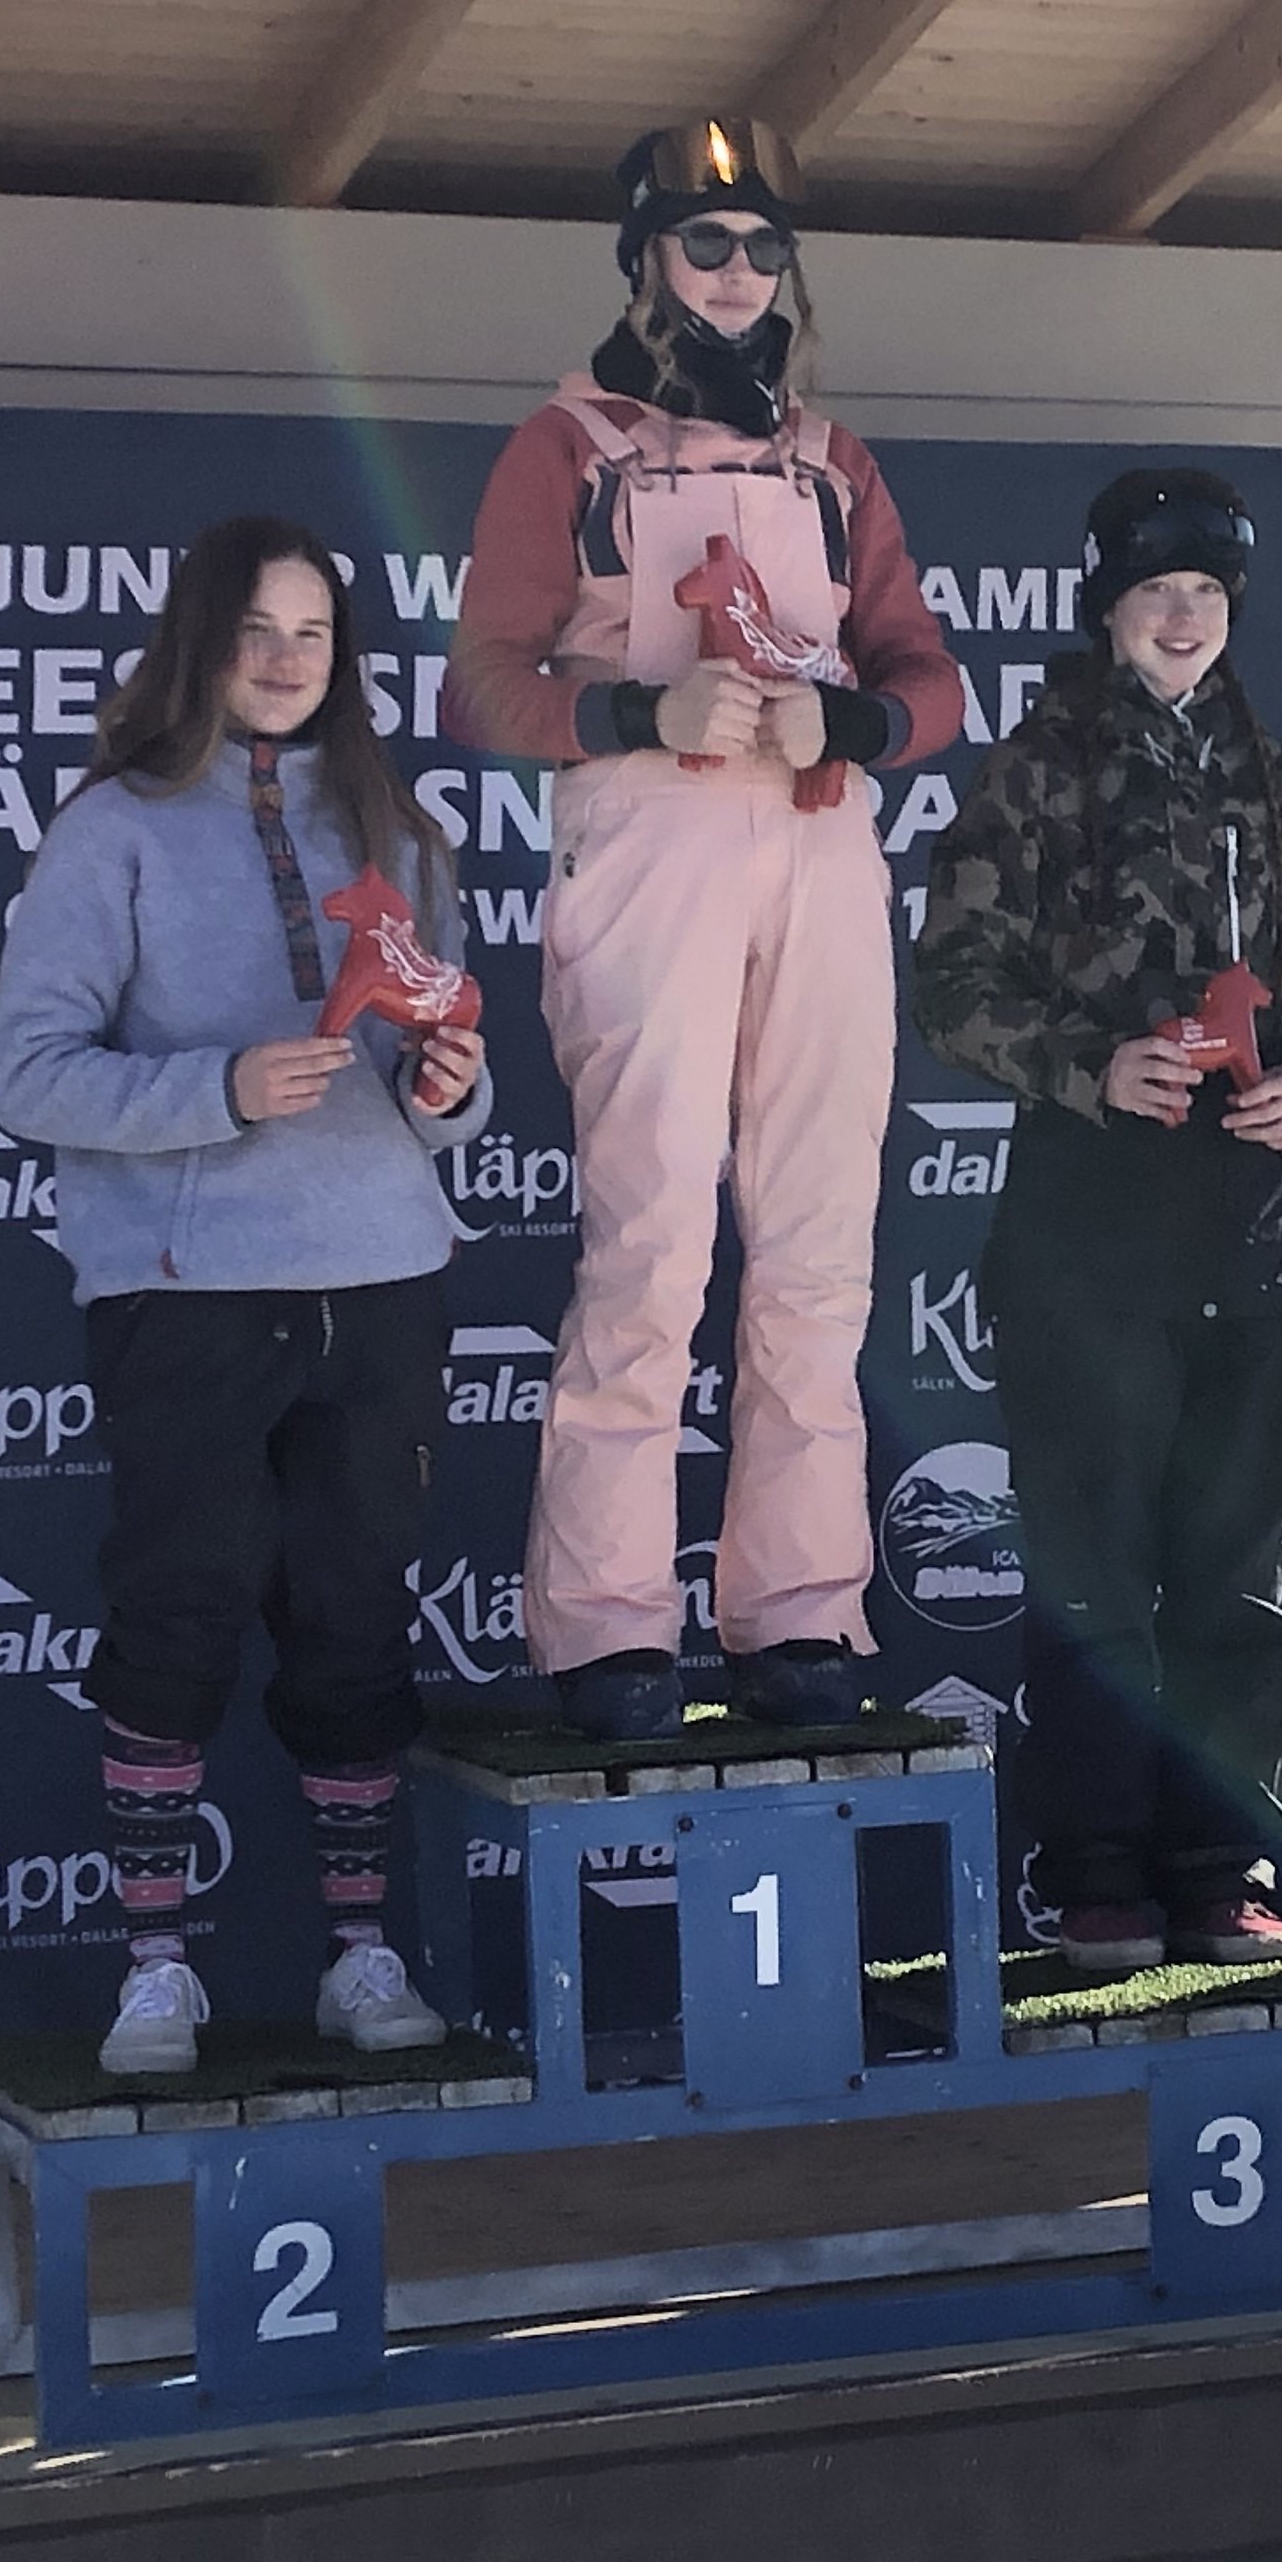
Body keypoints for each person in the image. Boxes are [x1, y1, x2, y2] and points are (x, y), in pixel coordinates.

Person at [443, 117, 965, 1740]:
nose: (736, 273)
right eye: (704, 242)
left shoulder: (833, 457)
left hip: (818, 839)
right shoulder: (569, 442)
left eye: (761, 247)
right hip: (649, 837)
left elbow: (929, 678)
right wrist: (633, 709)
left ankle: (796, 1609)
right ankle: (605, 1622)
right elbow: (480, 683)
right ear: (646, 257)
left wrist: (857, 726)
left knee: (818, 1244)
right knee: (652, 1235)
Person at [0, 516, 495, 2079]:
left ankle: (361, 1956)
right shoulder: (111, 831)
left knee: (357, 1628)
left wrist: (451, 1087)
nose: (285, 661)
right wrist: (218, 1087)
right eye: (257, 631)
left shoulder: (400, 830)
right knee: (178, 1617)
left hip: (382, 1278)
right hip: (191, 1290)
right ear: (199, 645)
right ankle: (156, 1971)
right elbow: (27, 1074)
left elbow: (442, 1083)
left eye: (313, 634)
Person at [910, 470, 1282, 1974]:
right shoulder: (1035, 771)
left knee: (1239, 1579)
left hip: (1259, 1231)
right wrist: (1091, 1066)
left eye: (1207, 596)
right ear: (1108, 608)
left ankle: (1225, 1865)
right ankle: (1095, 1870)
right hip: (1090, 1236)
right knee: (1095, 1573)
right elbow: (951, 986)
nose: (1183, 619)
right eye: (1157, 593)